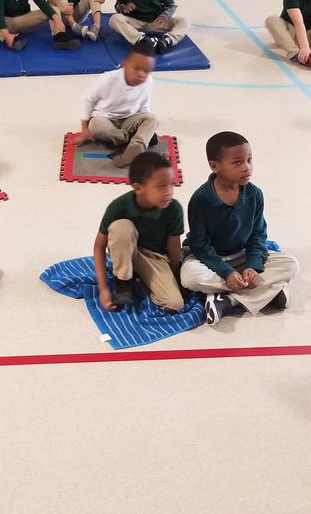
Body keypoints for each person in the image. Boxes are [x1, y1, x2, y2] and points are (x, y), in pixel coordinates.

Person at [180, 131, 298, 324]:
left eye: (249, 160)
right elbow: (200, 245)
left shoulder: (255, 194)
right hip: (211, 259)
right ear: (214, 166)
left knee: (291, 265)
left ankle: (229, 300)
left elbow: (258, 235)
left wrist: (253, 265)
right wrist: (227, 272)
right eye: (237, 162)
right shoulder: (201, 199)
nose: (246, 167)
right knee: (189, 277)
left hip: (242, 255)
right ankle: (270, 290)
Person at [94, 151, 184, 311]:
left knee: (174, 304)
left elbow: (174, 247)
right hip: (125, 250)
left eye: (171, 184)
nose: (169, 191)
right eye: (161, 186)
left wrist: (175, 276)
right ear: (138, 188)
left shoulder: (174, 208)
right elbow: (99, 246)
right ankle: (122, 281)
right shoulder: (118, 206)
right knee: (121, 227)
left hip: (154, 257)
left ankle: (139, 278)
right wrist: (103, 289)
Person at [75, 40, 158, 166]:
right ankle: (130, 139)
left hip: (129, 119)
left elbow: (144, 106)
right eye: (136, 68)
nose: (141, 74)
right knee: (96, 128)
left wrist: (145, 123)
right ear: (125, 65)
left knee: (153, 120)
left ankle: (136, 147)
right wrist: (84, 129)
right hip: (104, 118)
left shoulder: (148, 82)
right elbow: (88, 99)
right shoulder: (108, 78)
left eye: (146, 71)